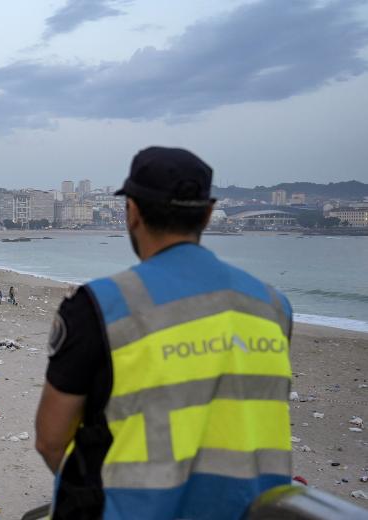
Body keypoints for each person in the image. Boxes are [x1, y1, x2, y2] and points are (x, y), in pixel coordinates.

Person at [35, 147, 293, 520]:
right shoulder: (273, 306)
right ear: (207, 213)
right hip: (250, 512)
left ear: (133, 212)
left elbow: (51, 440)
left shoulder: (100, 306)